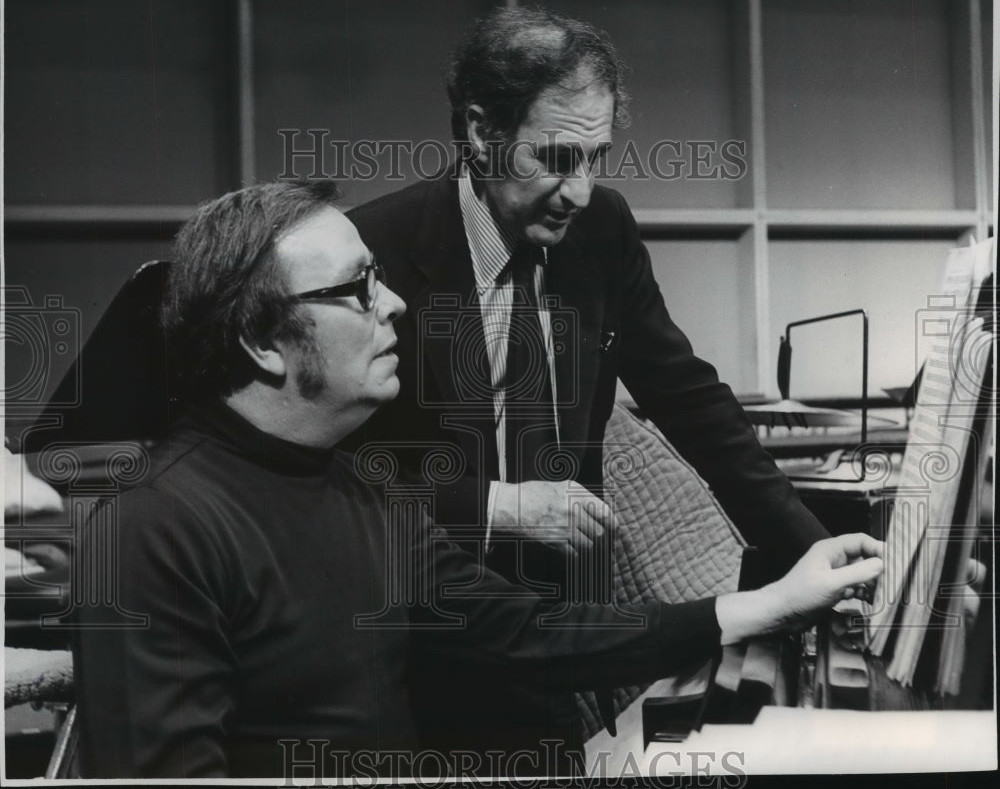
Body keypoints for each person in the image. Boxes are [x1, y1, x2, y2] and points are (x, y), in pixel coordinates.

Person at [71, 180, 882, 779]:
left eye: (380, 276)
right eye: (356, 289)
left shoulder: (362, 491)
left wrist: (765, 603)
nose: (393, 304)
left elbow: (526, 633)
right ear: (261, 341)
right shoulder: (153, 530)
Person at [345, 5, 833, 759]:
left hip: (562, 637)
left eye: (597, 157)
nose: (580, 190)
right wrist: (496, 505)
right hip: (415, 642)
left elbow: (690, 398)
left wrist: (811, 552)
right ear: (481, 133)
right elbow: (332, 480)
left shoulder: (601, 229)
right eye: (557, 159)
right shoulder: (372, 249)